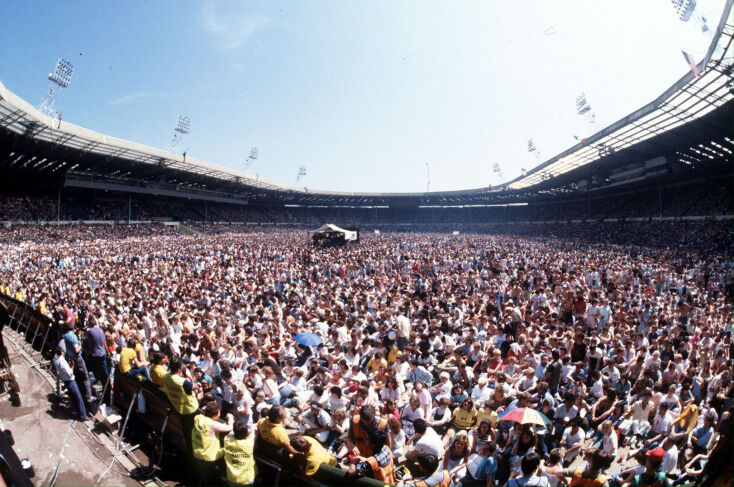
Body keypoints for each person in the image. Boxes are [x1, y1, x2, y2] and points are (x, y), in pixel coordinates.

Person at [163, 358, 200, 451]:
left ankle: (190, 448)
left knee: (187, 432)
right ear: (179, 369)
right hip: (191, 409)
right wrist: (190, 377)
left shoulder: (166, 377)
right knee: (195, 432)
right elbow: (195, 387)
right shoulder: (183, 382)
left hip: (179, 408)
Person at [192, 401, 233, 486]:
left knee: (204, 475)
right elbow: (230, 427)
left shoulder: (198, 418)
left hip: (197, 453)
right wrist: (230, 418)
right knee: (209, 479)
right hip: (209, 457)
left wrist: (204, 411)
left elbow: (202, 415)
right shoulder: (213, 424)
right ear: (215, 414)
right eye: (219, 413)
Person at [52, 345, 87, 421]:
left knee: (72, 397)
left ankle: (74, 410)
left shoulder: (56, 360)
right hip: (70, 381)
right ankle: (83, 416)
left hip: (65, 381)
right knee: (78, 398)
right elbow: (69, 373)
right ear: (61, 352)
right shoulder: (63, 362)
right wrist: (72, 366)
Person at [223, 421, 257, 486]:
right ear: (246, 432)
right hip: (246, 480)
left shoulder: (227, 440)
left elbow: (231, 433)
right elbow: (254, 432)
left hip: (231, 478)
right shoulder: (250, 443)